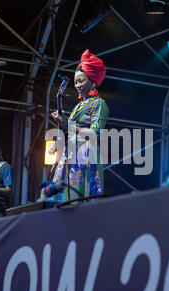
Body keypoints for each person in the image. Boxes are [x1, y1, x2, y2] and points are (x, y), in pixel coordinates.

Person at [50, 49, 109, 202]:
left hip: (86, 156)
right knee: (66, 199)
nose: (77, 85)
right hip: (71, 154)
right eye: (75, 81)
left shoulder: (100, 104)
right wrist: (57, 143)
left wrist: (67, 124)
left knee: (82, 199)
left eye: (81, 81)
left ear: (92, 81)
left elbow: (94, 133)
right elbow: (68, 129)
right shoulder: (78, 107)